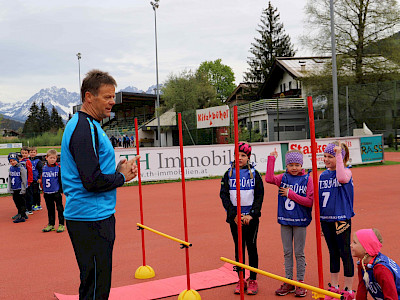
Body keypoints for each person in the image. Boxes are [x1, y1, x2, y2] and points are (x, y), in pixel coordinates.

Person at [61, 69, 140, 300]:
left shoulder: (91, 125)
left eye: (113, 96)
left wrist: (117, 171)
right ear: (89, 97)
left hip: (94, 216)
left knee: (95, 284)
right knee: (96, 288)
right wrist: (122, 177)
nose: (112, 102)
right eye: (107, 97)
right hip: (91, 219)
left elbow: (91, 173)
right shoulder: (83, 128)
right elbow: (91, 181)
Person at [265, 149, 313, 297]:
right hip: (285, 220)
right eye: (291, 164)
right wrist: (271, 159)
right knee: (287, 252)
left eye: (297, 164)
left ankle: (300, 282)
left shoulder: (307, 179)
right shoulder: (283, 177)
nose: (294, 168)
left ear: (301, 165)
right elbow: (268, 178)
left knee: (299, 252)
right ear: (286, 166)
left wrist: (290, 194)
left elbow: (310, 201)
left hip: (300, 221)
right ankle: (288, 281)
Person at [220, 142, 264, 295]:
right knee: (238, 249)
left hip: (250, 219)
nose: (239, 158)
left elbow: (259, 195)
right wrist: (234, 215)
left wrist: (252, 214)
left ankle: (252, 279)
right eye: (237, 155)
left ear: (249, 157)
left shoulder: (254, 174)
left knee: (251, 247)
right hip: (235, 219)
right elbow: (224, 195)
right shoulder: (228, 174)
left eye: (243, 156)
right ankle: (240, 278)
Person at [319, 141, 355, 300]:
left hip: (341, 219)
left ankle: (349, 289)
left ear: (340, 157)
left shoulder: (346, 172)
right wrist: (321, 220)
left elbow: (341, 178)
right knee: (332, 253)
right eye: (325, 156)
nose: (326, 159)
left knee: (344, 252)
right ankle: (333, 287)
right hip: (326, 219)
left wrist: (339, 155)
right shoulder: (323, 175)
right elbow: (321, 199)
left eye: (330, 156)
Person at [351, 228, 400, 300]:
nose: (351, 245)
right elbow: (362, 289)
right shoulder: (363, 264)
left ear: (366, 249)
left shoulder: (381, 269)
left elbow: (392, 298)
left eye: (354, 243)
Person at [40, 149, 64, 233]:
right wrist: (42, 189)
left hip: (56, 191)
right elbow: (41, 179)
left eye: (54, 158)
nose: (52, 160)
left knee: (59, 208)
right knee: (50, 209)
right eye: (50, 158)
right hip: (47, 192)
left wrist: (61, 190)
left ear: (56, 158)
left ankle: (61, 224)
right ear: (46, 158)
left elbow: (61, 179)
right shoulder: (43, 167)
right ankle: (51, 224)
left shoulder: (58, 168)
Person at [7, 153, 28, 223]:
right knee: (16, 202)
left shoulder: (21, 168)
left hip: (20, 188)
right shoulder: (11, 168)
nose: (12, 162)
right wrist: (10, 188)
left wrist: (23, 189)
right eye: (11, 161)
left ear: (17, 160)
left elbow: (24, 179)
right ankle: (21, 213)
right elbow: (10, 179)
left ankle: (22, 216)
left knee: (21, 202)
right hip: (14, 188)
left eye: (14, 160)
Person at [20, 146, 33, 215]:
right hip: (23, 182)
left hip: (28, 182)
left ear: (28, 154)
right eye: (22, 153)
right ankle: (25, 208)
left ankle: (29, 209)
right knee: (23, 196)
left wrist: (29, 181)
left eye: (25, 153)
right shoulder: (21, 161)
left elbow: (30, 172)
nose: (24, 154)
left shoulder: (28, 162)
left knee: (28, 195)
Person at [29, 147, 43, 211]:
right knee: (31, 192)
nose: (32, 153)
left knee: (36, 192)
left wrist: (39, 178)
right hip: (30, 179)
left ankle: (38, 204)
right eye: (31, 152)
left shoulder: (38, 161)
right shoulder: (28, 160)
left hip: (36, 179)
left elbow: (40, 170)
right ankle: (32, 204)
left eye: (34, 152)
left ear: (36, 153)